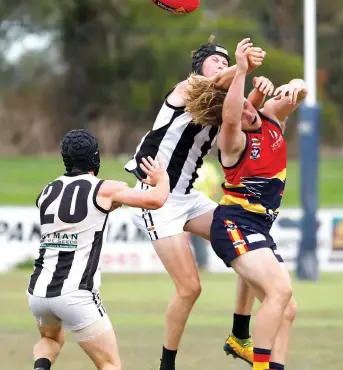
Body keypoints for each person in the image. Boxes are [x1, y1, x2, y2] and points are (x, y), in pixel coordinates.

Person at [124, 35, 269, 370]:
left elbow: (245, 113)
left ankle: (240, 336)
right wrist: (241, 65)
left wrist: (258, 90)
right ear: (199, 68)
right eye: (215, 60)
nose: (221, 65)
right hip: (155, 200)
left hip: (186, 198)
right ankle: (167, 365)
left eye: (224, 60)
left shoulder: (219, 107)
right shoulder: (187, 88)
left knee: (245, 241)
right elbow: (217, 81)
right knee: (190, 289)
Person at [185, 38, 307, 370]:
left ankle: (259, 353)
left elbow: (300, 92)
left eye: (248, 104)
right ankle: (261, 365)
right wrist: (240, 69)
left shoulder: (270, 116)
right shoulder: (232, 140)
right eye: (239, 107)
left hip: (258, 229)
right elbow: (229, 117)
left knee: (287, 307)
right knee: (280, 292)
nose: (247, 108)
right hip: (234, 224)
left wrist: (293, 87)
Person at [27, 129, 169, 370]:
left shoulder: (47, 191)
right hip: (75, 293)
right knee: (109, 364)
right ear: (95, 158)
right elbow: (156, 200)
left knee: (50, 339)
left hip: (38, 292)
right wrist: (162, 177)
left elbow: (75, 214)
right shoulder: (105, 188)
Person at [190, 160, 221, 269]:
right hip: (197, 206)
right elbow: (215, 187)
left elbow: (214, 188)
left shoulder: (204, 167)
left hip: (199, 206)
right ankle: (201, 262)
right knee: (197, 237)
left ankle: (202, 263)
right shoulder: (206, 168)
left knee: (198, 237)